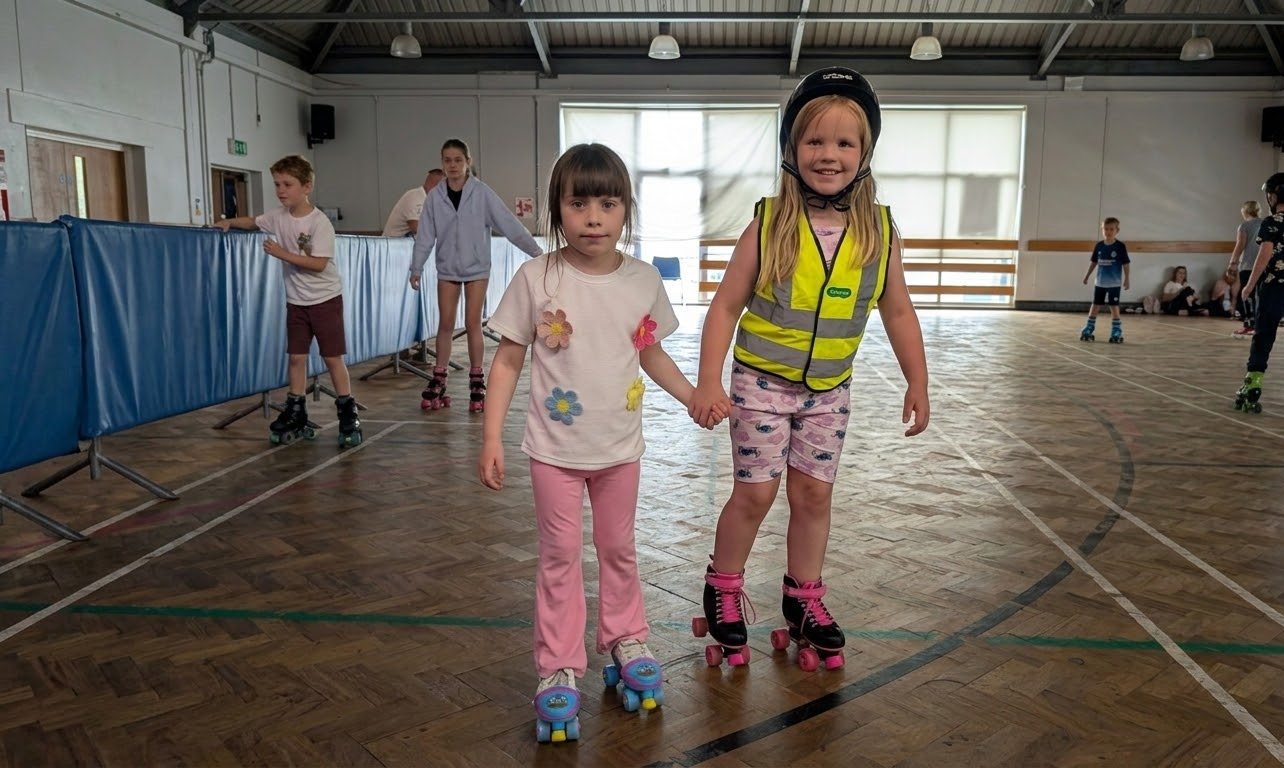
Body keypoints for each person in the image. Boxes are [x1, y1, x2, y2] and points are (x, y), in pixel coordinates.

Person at [686, 67, 929, 673]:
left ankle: (803, 598)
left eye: (845, 143)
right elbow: (724, 307)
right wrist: (709, 380)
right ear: (792, 151)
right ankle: (723, 587)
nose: (829, 155)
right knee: (757, 492)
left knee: (814, 495)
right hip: (761, 383)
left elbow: (898, 310)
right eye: (815, 141)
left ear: (865, 153)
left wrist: (917, 379)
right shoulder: (769, 224)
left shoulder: (879, 230)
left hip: (828, 389)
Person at [478, 143, 722, 743]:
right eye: (578, 202)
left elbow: (651, 352)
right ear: (558, 210)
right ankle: (557, 664)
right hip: (552, 454)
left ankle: (625, 637)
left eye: (607, 204)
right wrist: (491, 436)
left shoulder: (642, 280)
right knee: (559, 559)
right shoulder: (537, 277)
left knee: (619, 549)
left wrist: (692, 394)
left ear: (625, 210)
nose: (593, 217)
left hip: (620, 450)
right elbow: (508, 359)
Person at [215, 155, 361, 448]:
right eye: (277, 184)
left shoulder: (319, 223)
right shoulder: (277, 216)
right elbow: (254, 221)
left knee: (332, 358)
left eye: (288, 185)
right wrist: (230, 222)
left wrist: (281, 253)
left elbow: (319, 263)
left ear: (306, 187)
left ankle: (347, 411)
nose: (281, 190)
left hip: (324, 300)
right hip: (296, 302)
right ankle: (296, 409)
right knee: (296, 357)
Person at [409, 139, 542, 414]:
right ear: (442, 163)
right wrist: (416, 267)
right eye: (447, 160)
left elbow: (508, 224)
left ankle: (476, 378)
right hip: (447, 268)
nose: (453, 165)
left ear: (468, 162)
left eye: (458, 160)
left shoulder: (481, 194)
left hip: (476, 268)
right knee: (445, 323)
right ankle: (439, 376)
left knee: (472, 323)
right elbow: (425, 236)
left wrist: (537, 253)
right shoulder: (435, 197)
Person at [1235, 173, 1284, 413]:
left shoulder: (1271, 222)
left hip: (1275, 287)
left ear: (1273, 196)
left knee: (1263, 336)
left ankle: (1253, 385)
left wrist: (1250, 284)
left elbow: (1264, 256)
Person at [1079, 217, 1130, 342]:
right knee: (1095, 304)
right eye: (1105, 229)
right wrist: (1087, 276)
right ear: (1102, 230)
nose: (1108, 232)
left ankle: (1116, 331)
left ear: (1117, 231)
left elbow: (1126, 264)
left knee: (1114, 306)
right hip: (1100, 282)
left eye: (1111, 229)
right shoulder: (1099, 246)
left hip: (1114, 283)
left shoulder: (1120, 246)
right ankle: (1089, 328)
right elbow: (1094, 262)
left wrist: (1127, 279)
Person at [1230, 200, 1264, 338]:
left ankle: (1249, 325)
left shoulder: (1244, 225)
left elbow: (1240, 245)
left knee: (1247, 295)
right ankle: (1259, 326)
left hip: (1248, 266)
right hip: (1264, 266)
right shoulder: (1265, 223)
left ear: (1245, 211)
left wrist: (1232, 263)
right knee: (1261, 296)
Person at [381, 169, 443, 237]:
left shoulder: (432, 201)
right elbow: (417, 229)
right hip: (392, 244)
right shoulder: (415, 197)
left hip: (406, 242)